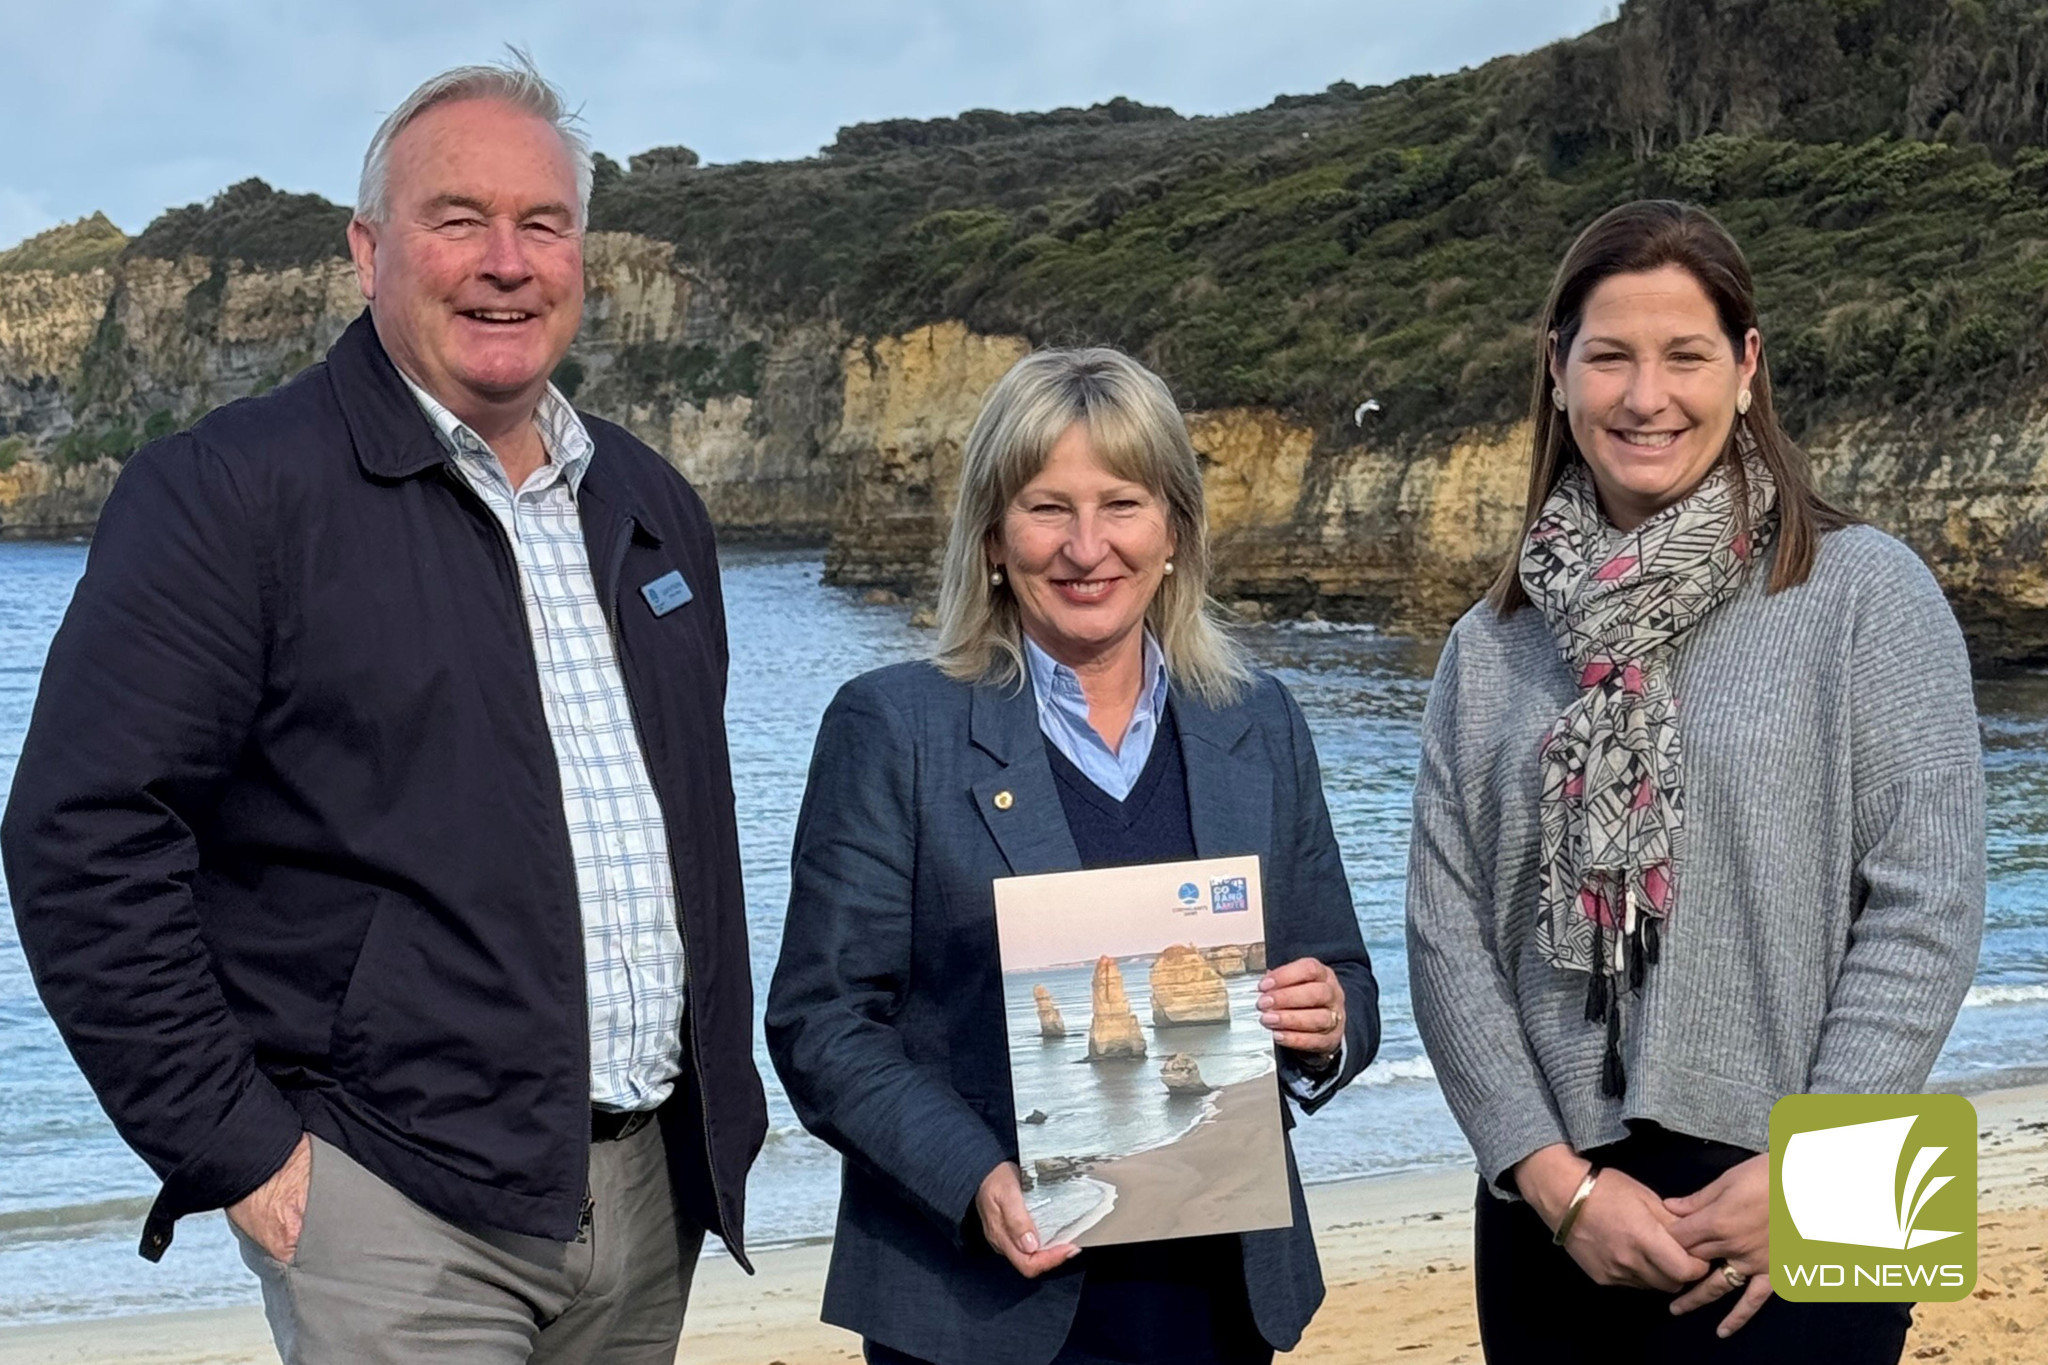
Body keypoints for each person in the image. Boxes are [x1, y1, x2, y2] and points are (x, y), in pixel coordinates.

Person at [1, 54, 765, 1364]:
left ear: (586, 254)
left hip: (651, 1192)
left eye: (543, 223)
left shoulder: (652, 505)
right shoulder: (229, 496)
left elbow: (676, 829)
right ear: (368, 250)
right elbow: (83, 835)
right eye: (457, 219)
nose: (505, 261)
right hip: (397, 1202)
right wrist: (240, 1150)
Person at [1404, 199, 1985, 1363]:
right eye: (1608, 355)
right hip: (1557, 1205)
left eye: (1685, 354)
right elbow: (1445, 935)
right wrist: (1550, 1181)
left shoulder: (1866, 590)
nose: (1643, 395)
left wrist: (1809, 1169)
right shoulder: (1492, 641)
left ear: (1746, 366)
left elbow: (1926, 904)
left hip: (1828, 1173)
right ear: (1556, 370)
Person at [765, 347, 1380, 1365]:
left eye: (1122, 504)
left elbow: (1344, 976)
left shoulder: (1255, 721)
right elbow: (821, 1022)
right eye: (1047, 508)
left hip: (1215, 1299)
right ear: (993, 538)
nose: (1086, 547)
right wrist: (975, 1180)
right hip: (983, 1308)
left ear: (1173, 529)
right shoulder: (894, 726)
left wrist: (1325, 1025)